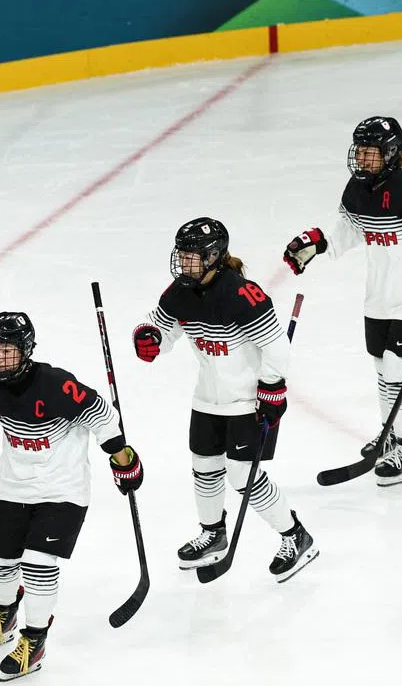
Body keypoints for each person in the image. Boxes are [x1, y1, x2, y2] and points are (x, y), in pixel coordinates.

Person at [0, 311, 142, 682]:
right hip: (13, 487)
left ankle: (35, 639)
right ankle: (4, 615)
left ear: (26, 349)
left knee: (37, 564)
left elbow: (100, 414)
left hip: (62, 491)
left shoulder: (55, 385)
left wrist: (122, 457)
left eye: (8, 350)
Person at [132, 217, 318, 583]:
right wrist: (149, 337)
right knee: (204, 467)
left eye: (191, 257)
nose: (183, 263)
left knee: (241, 475)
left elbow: (276, 345)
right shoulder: (178, 293)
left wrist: (271, 387)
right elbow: (162, 330)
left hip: (246, 401)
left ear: (214, 257)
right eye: (181, 255)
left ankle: (296, 536)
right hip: (207, 398)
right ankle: (214, 533)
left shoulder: (241, 295)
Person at [282, 117, 402, 486]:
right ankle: (391, 433)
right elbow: (347, 231)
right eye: (358, 150)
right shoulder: (357, 187)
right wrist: (316, 245)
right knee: (382, 369)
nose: (361, 158)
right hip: (377, 298)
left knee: (398, 372)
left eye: (369, 152)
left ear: (391, 153)